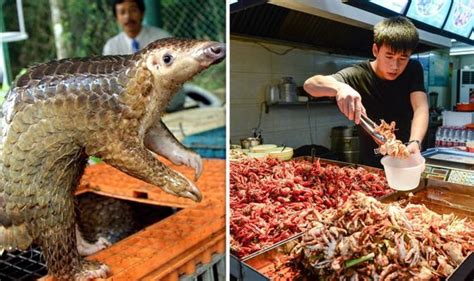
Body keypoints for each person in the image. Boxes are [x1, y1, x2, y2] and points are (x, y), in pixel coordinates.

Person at [304, 16, 428, 168]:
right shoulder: (358, 74)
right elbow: (310, 85)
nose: (395, 66)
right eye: (389, 56)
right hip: (371, 164)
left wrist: (415, 142)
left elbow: (420, 107)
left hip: (407, 156)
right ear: (376, 50)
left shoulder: (413, 69)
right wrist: (340, 87)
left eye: (403, 58)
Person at [103, 0, 171, 55]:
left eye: (133, 10)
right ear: (116, 18)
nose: (128, 17)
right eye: (122, 12)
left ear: (142, 13)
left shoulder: (161, 38)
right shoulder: (111, 47)